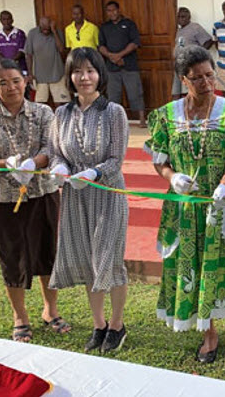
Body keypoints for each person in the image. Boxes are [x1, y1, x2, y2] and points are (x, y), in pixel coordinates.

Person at [145, 45, 225, 363]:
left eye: (210, 75)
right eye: (197, 78)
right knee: (194, 267)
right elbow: (161, 161)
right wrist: (172, 177)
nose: (207, 83)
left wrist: (224, 186)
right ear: (184, 79)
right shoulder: (167, 117)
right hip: (185, 208)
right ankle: (208, 332)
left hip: (224, 205)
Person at [0, 58, 69, 343]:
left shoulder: (43, 113)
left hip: (42, 193)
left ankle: (51, 310)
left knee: (48, 252)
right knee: (11, 256)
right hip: (3, 200)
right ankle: (20, 317)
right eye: (3, 83)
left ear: (25, 81)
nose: (11, 87)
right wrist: (6, 163)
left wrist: (32, 164)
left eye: (16, 80)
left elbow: (53, 147)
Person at [48, 47, 130, 354]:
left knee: (109, 259)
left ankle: (118, 325)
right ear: (70, 76)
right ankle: (98, 324)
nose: (84, 77)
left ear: (100, 74)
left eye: (90, 71)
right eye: (77, 71)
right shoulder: (61, 114)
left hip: (107, 195)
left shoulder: (114, 113)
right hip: (74, 198)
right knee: (86, 261)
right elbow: (57, 151)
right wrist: (59, 168)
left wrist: (93, 173)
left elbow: (116, 159)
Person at [99, 1, 146, 127]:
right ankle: (115, 122)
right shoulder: (104, 27)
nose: (112, 13)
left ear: (119, 10)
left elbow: (135, 43)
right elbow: (101, 46)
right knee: (113, 96)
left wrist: (120, 55)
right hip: (111, 67)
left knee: (135, 92)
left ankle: (142, 120)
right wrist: (111, 56)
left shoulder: (129, 24)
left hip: (129, 65)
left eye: (114, 10)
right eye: (109, 11)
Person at [25, 17, 70, 106]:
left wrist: (54, 31)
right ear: (39, 26)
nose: (46, 31)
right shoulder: (32, 34)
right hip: (39, 76)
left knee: (61, 104)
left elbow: (61, 50)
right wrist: (30, 73)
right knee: (40, 105)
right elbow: (28, 54)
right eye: (44, 29)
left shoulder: (57, 32)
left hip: (57, 73)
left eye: (48, 29)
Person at [171, 7, 212, 100]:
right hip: (178, 64)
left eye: (183, 17)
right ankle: (177, 112)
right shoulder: (179, 30)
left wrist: (198, 55)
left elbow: (209, 41)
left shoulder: (195, 27)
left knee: (188, 91)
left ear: (189, 17)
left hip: (189, 65)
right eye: (179, 17)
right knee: (175, 92)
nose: (181, 19)